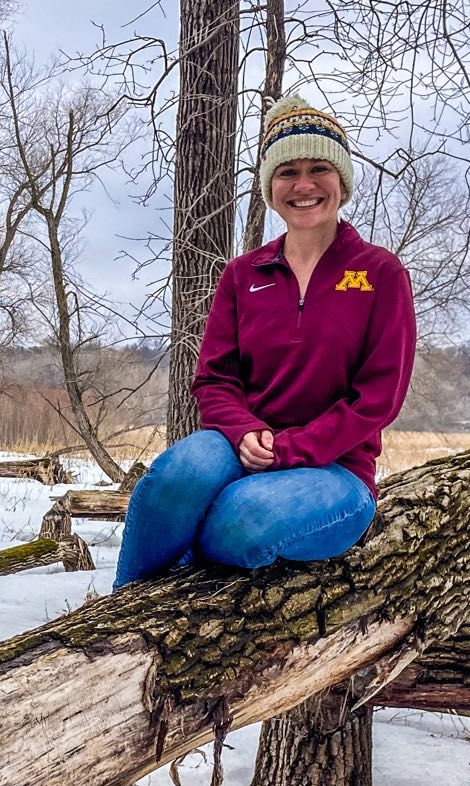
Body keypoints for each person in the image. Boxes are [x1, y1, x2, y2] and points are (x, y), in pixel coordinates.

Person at [114, 96, 416, 588]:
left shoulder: (379, 273)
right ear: (269, 187)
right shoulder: (242, 274)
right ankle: (121, 614)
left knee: (244, 517)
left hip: (335, 471)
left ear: (342, 182)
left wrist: (292, 448)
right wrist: (244, 431)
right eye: (287, 171)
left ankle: (186, 567)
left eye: (319, 168)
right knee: (177, 476)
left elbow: (378, 398)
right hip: (241, 444)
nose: (303, 185)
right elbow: (215, 379)